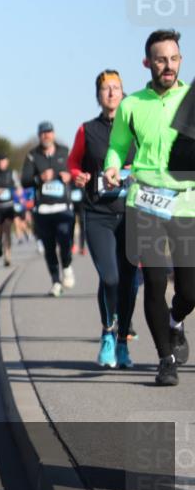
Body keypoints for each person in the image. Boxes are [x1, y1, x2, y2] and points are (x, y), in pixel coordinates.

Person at [105, 29, 192, 386]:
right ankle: (165, 359)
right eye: (161, 59)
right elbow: (117, 146)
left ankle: (175, 320)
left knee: (189, 289)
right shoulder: (131, 104)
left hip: (186, 199)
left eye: (173, 58)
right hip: (145, 200)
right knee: (155, 281)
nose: (167, 66)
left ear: (180, 61)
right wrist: (112, 166)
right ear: (147, 62)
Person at [69, 69, 139, 369]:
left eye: (116, 87)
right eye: (105, 88)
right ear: (98, 95)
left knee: (130, 283)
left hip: (131, 211)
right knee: (109, 278)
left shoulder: (136, 127)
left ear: (123, 93)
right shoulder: (87, 130)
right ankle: (108, 332)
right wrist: (78, 175)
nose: (111, 93)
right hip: (98, 212)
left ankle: (122, 342)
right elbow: (73, 162)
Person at [22, 121, 75, 297]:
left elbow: (75, 171)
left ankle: (67, 266)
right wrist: (39, 178)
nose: (46, 135)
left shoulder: (64, 151)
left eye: (49, 132)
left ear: (54, 134)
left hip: (63, 207)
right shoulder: (32, 155)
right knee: (49, 247)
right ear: (39, 136)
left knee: (65, 242)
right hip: (43, 209)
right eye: (43, 133)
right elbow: (25, 180)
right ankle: (55, 282)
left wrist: (70, 176)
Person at [0, 154, 22, 266]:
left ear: (7, 162)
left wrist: (18, 190)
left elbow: (18, 186)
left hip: (9, 206)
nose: (2, 164)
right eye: (0, 161)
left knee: (7, 229)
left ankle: (8, 255)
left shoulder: (12, 173)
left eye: (4, 161)